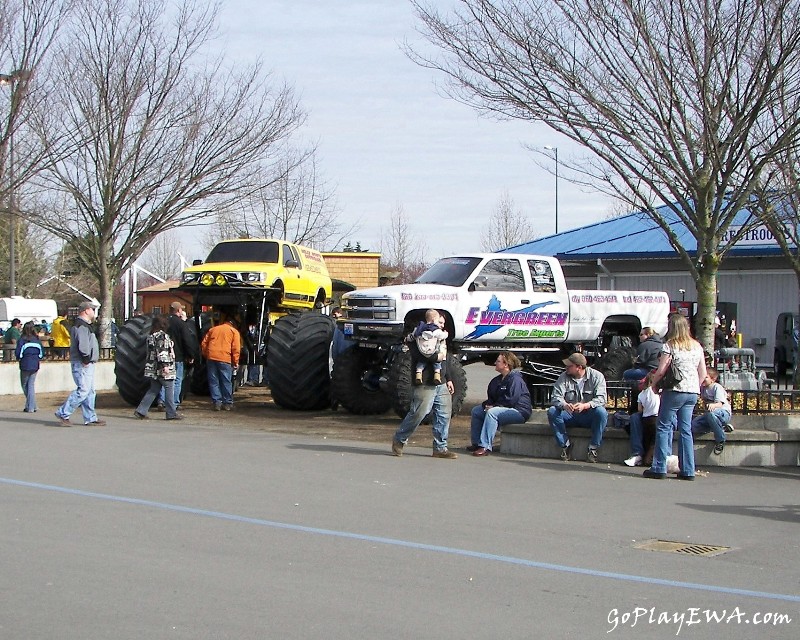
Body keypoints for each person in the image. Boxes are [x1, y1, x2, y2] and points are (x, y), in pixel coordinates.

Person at [644, 313, 708, 480]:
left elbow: (662, 370)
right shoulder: (696, 346)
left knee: (664, 426)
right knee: (685, 429)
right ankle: (688, 469)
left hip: (674, 390)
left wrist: (654, 385)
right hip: (691, 392)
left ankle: (659, 467)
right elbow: (703, 373)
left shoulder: (670, 346)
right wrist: (696, 386)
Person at [392, 332, 458, 459]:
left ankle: (440, 448)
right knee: (419, 413)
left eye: (442, 323)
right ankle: (399, 439)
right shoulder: (417, 339)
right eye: (439, 322)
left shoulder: (441, 339)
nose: (441, 326)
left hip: (441, 383)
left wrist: (448, 378)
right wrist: (437, 357)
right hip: (425, 381)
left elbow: (445, 360)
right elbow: (421, 356)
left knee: (444, 415)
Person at [547, 352, 608, 462]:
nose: (566, 368)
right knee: (552, 411)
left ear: (579, 367)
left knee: (601, 412)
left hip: (588, 414)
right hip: (570, 414)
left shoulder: (597, 376)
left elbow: (602, 399)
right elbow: (556, 397)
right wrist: (564, 404)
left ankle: (593, 448)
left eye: (569, 366)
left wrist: (585, 405)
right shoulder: (564, 376)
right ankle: (565, 445)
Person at [468, 350, 532, 456]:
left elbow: (511, 400)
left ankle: (485, 446)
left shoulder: (515, 379)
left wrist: (494, 407)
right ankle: (476, 443)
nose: (495, 363)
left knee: (492, 413)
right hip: (501, 408)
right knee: (477, 411)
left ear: (506, 364)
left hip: (519, 411)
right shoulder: (496, 381)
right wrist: (486, 405)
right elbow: (491, 398)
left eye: (498, 361)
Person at [55, 301, 106, 427]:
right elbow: (83, 346)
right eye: (92, 310)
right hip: (82, 363)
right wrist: (86, 359)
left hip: (85, 362)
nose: (94, 312)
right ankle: (63, 413)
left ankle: (90, 417)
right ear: (86, 310)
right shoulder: (81, 326)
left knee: (90, 391)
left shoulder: (84, 326)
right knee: (83, 390)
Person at [133, 315, 184, 421]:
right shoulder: (162, 336)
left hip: (153, 368)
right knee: (169, 389)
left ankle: (141, 410)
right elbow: (162, 352)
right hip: (163, 368)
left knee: (153, 390)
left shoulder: (151, 336)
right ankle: (171, 413)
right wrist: (165, 366)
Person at [157, 301, 198, 409]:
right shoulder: (180, 324)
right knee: (176, 380)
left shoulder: (163, 322)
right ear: (179, 310)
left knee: (164, 379)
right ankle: (173, 403)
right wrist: (191, 355)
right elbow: (186, 340)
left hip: (163, 355)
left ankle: (161, 400)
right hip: (177, 356)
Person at [200, 313, 241, 411]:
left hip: (211, 358)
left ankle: (217, 403)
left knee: (214, 381)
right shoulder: (234, 331)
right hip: (225, 358)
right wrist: (235, 362)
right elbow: (236, 349)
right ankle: (227, 403)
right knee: (226, 381)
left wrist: (207, 354)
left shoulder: (213, 329)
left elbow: (204, 343)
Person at [691, 368, 732, 455]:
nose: (702, 379)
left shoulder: (716, 387)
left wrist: (713, 405)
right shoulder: (703, 388)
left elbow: (720, 403)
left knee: (711, 415)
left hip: (723, 413)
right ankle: (721, 428)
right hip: (710, 415)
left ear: (712, 379)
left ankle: (721, 440)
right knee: (693, 425)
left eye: (705, 377)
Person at [624, 371, 660, 467]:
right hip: (653, 417)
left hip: (658, 415)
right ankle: (637, 454)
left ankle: (663, 456)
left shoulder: (644, 393)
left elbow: (640, 409)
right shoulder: (655, 391)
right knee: (635, 417)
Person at [412, 309, 448, 384]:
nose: (442, 325)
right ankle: (437, 374)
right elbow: (442, 336)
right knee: (437, 362)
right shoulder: (435, 330)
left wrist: (407, 339)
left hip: (422, 352)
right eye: (439, 322)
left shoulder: (419, 328)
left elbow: (412, 336)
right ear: (434, 320)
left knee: (421, 362)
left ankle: (418, 374)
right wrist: (446, 334)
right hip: (432, 353)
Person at [15, 321, 44, 413]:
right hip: (35, 364)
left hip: (25, 364)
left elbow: (18, 353)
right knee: (31, 385)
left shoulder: (22, 340)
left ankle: (31, 406)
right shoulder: (37, 340)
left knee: (24, 385)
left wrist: (19, 358)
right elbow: (41, 353)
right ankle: (32, 405)